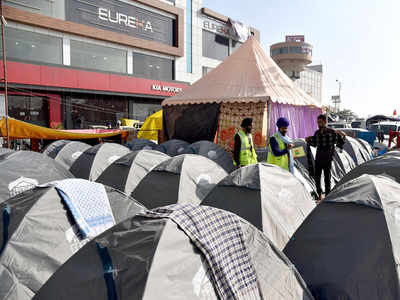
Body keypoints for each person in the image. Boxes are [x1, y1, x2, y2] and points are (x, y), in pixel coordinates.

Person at [306, 114, 345, 202]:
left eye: (320, 122)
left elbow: (341, 141)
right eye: (318, 122)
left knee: (327, 178)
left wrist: (343, 135)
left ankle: (327, 196)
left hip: (327, 159)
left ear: (325, 122)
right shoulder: (317, 133)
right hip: (318, 158)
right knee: (317, 178)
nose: (319, 124)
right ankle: (320, 195)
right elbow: (314, 143)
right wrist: (308, 139)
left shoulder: (332, 132)